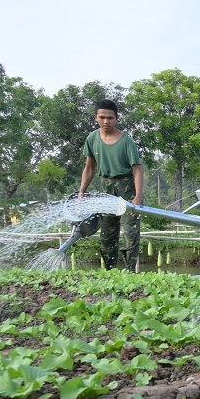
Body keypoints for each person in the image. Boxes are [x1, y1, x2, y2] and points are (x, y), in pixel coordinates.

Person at [77, 99, 143, 271]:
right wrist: (81, 192)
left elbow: (137, 170)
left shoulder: (126, 141)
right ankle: (110, 271)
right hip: (105, 188)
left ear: (117, 118)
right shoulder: (92, 139)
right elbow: (89, 168)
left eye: (110, 118)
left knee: (130, 233)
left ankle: (130, 272)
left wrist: (138, 196)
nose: (106, 121)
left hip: (126, 186)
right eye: (102, 117)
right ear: (96, 118)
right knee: (107, 234)